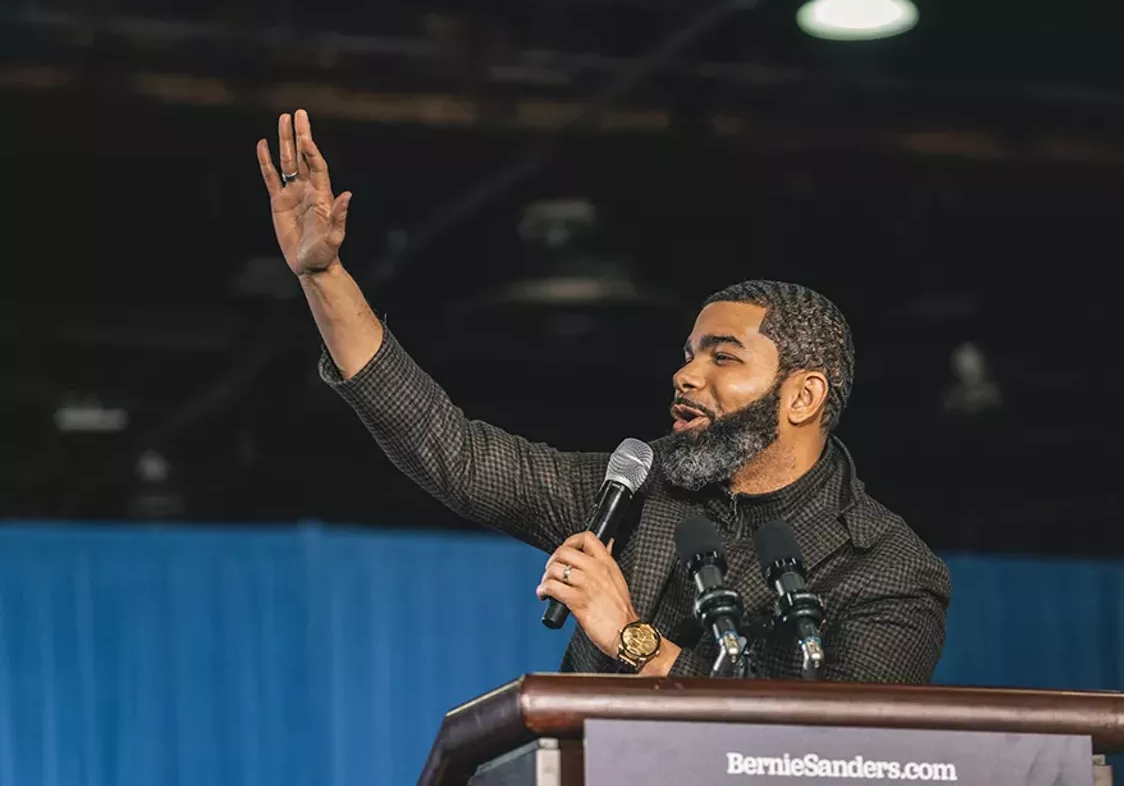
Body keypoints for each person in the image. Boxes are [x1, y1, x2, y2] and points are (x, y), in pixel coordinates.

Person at [256, 109, 951, 682]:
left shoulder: (888, 567)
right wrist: (324, 275)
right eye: (687, 356)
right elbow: (450, 449)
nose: (685, 376)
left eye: (723, 357)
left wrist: (635, 642)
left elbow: (842, 746)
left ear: (803, 397)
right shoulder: (638, 490)